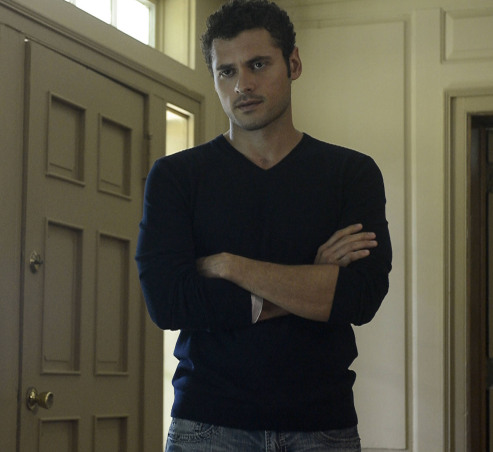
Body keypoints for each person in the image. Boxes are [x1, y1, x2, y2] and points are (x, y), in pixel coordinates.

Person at [135, 0, 392, 450]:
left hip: (322, 424)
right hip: (207, 425)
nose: (243, 85)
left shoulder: (351, 174)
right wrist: (314, 280)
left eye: (258, 64)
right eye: (226, 71)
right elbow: (170, 303)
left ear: (293, 64)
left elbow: (361, 297)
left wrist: (230, 266)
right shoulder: (177, 177)